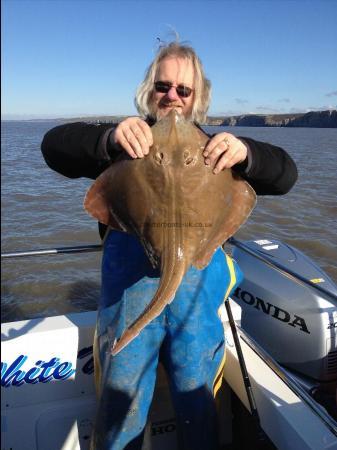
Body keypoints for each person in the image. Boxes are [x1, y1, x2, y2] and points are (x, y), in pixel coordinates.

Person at [41, 42, 297, 450]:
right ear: (148, 90)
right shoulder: (125, 145)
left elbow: (286, 174)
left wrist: (247, 153)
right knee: (120, 410)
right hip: (131, 302)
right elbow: (53, 145)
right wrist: (108, 138)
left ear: (199, 98)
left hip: (196, 306)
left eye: (184, 90)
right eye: (163, 86)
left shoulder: (218, 150)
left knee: (199, 406)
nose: (173, 98)